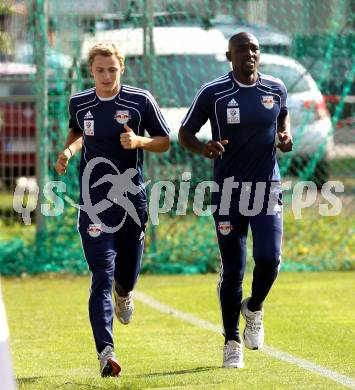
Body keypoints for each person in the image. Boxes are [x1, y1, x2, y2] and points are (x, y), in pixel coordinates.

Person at [55, 42, 170, 377]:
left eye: (112, 70)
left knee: (126, 275)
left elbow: (164, 140)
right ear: (90, 70)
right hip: (93, 202)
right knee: (101, 276)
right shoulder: (80, 102)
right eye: (100, 70)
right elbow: (78, 133)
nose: (106, 76)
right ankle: (106, 353)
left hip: (131, 201)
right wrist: (68, 152)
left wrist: (139, 142)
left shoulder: (139, 100)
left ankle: (125, 295)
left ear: (122, 68)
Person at [178, 32, 292, 368]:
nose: (250, 54)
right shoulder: (213, 93)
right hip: (228, 192)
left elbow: (282, 115)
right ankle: (231, 341)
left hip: (266, 188)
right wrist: (203, 148)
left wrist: (285, 135)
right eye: (242, 49)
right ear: (230, 55)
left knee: (269, 259)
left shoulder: (275, 88)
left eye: (255, 49)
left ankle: (254, 308)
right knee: (234, 270)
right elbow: (185, 132)